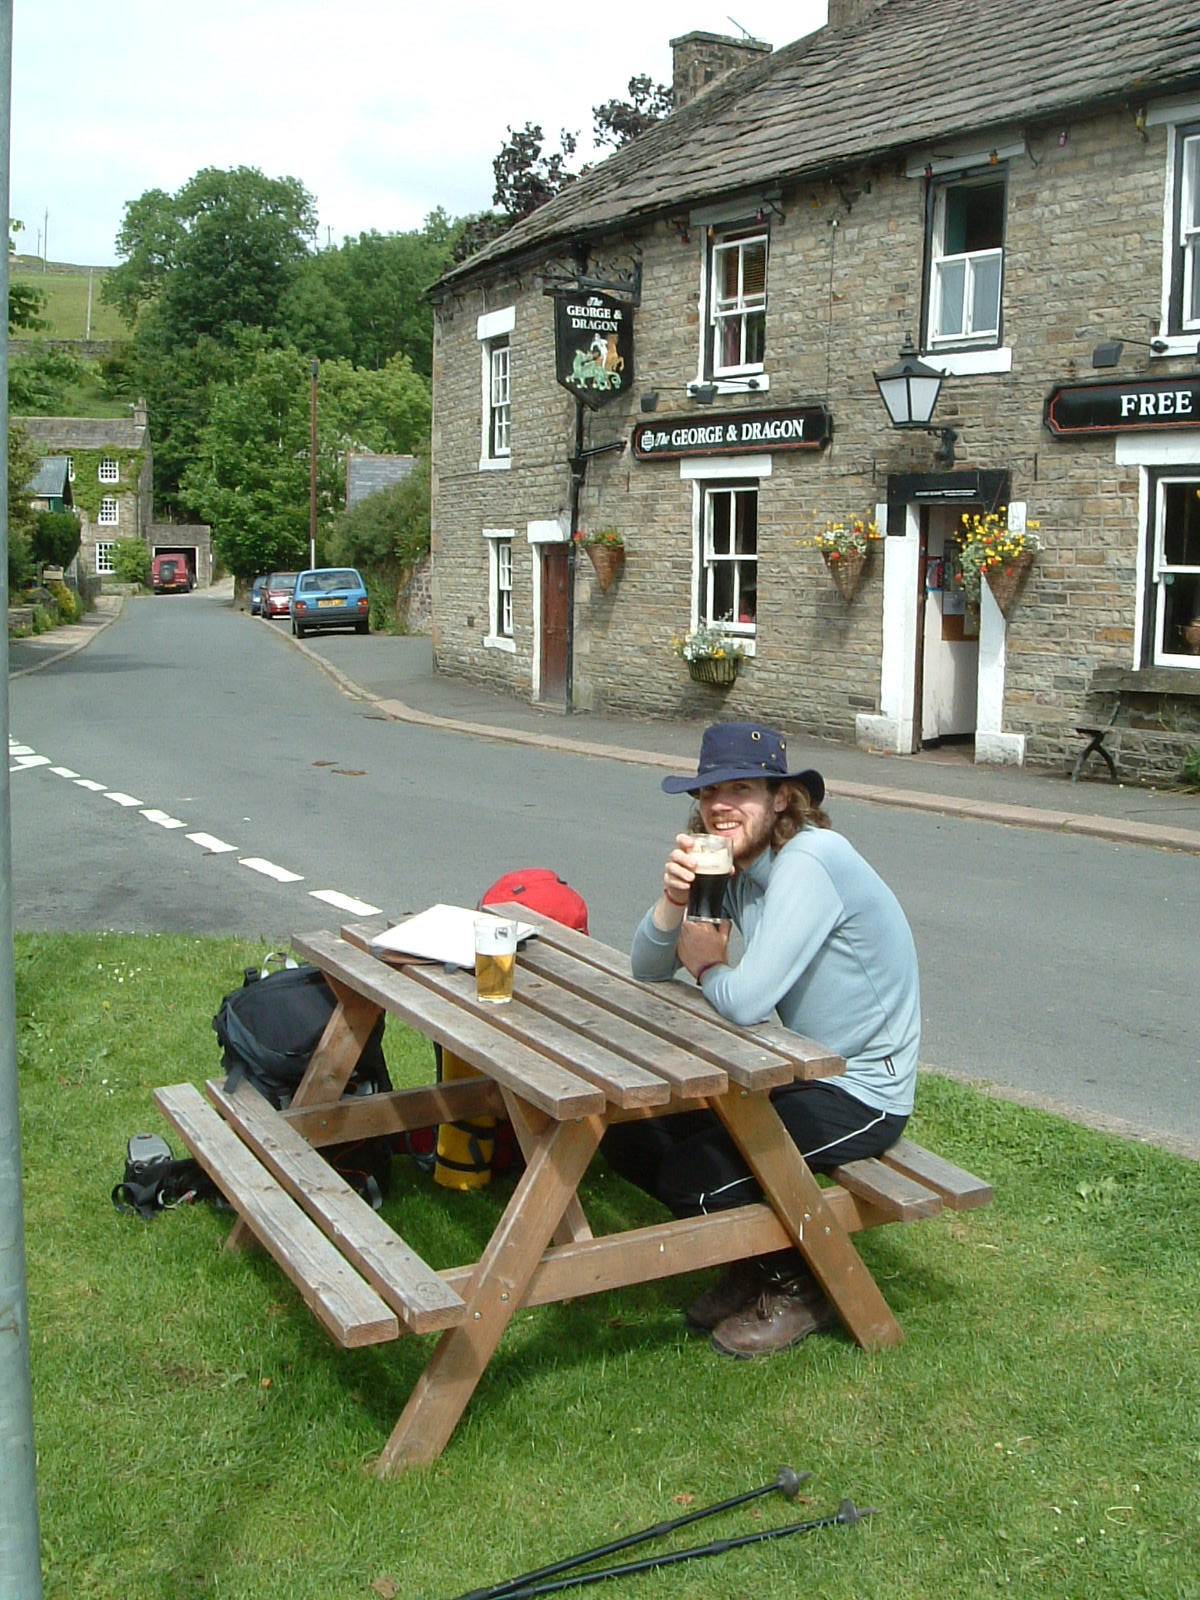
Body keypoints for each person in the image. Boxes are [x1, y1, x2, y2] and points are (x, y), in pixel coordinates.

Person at [603, 721, 921, 1358]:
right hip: (798, 1070)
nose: (719, 806)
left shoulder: (810, 860)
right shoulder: (740, 868)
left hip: (864, 1092)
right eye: (708, 792)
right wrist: (672, 901)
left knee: (696, 1178)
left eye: (740, 790)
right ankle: (750, 1264)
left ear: (782, 798)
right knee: (631, 1131)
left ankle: (800, 1284)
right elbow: (645, 965)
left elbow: (745, 1002)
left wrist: (709, 967)